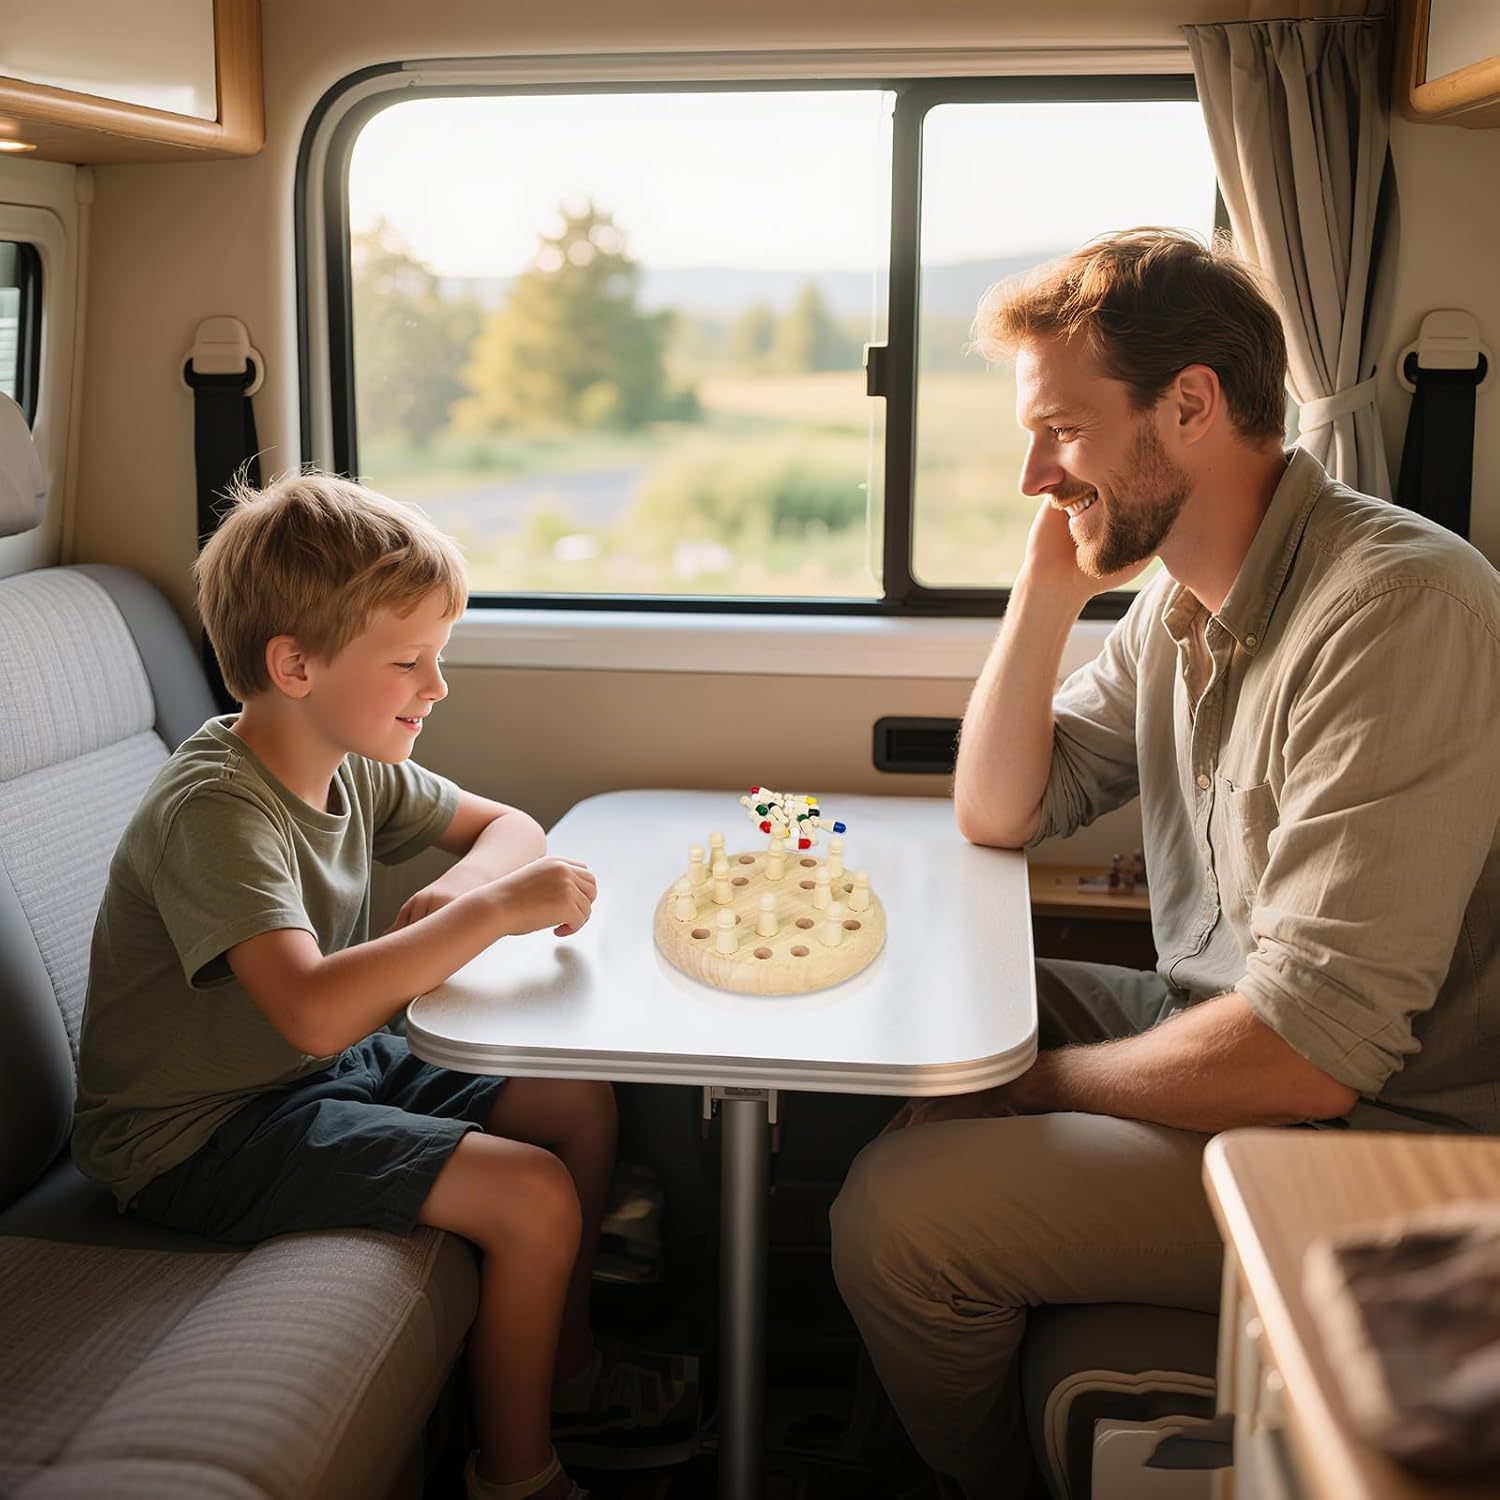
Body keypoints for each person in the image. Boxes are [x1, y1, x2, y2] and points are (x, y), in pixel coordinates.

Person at [830, 228, 1500, 1498]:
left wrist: (1035, 1088)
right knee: (916, 1024)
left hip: (1387, 1137)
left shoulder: (1395, 610)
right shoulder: (1182, 596)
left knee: (895, 1223)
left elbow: (1310, 1058)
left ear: (1191, 403)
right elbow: (1000, 811)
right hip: (1230, 1027)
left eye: (1063, 433)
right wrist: (1043, 593)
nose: (1034, 470)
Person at [72, 474, 689, 1500]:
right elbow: (310, 1006)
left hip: (311, 1076)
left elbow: (510, 828)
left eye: (437, 658)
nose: (436, 689)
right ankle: (516, 1476)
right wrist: (482, 916)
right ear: (294, 665)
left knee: (574, 1101)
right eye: (408, 662)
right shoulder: (218, 811)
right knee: (530, 1193)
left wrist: (461, 884)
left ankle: (569, 1372)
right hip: (195, 1135)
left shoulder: (349, 764)